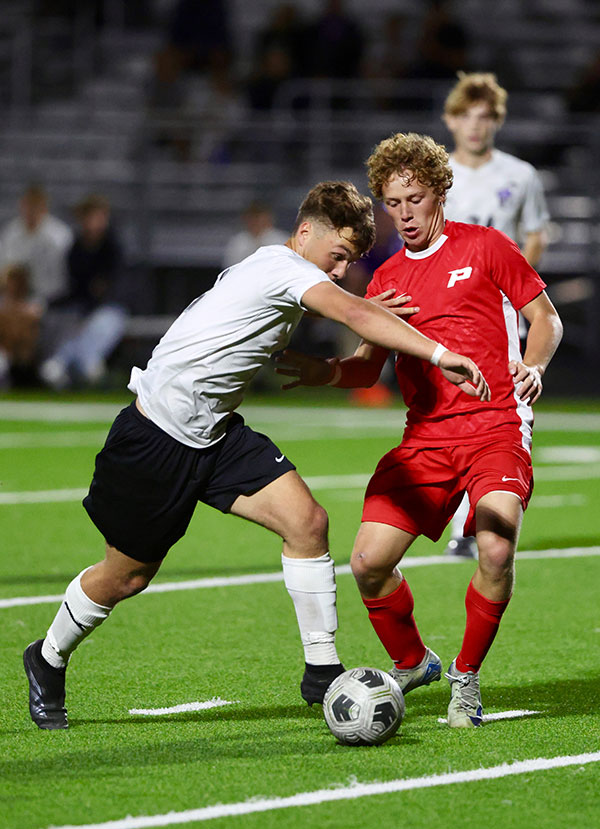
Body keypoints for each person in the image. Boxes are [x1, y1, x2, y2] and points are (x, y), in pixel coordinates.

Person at [23, 180, 489, 731]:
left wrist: (357, 304)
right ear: (306, 231)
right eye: (337, 256)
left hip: (217, 434)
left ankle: (321, 672)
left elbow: (327, 307)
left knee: (308, 523)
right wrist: (439, 353)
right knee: (127, 576)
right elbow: (351, 316)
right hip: (156, 437)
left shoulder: (277, 270)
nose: (339, 270)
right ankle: (47, 657)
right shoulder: (285, 269)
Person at [277, 135, 562, 728]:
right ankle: (415, 661)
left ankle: (466, 676)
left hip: (494, 428)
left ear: (440, 191)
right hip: (425, 441)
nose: (403, 214)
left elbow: (545, 318)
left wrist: (532, 365)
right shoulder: (383, 280)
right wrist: (321, 372)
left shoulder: (485, 246)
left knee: (496, 545)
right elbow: (364, 367)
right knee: (367, 564)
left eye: (415, 198)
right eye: (391, 202)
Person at [441, 71, 551, 557]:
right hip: (444, 303)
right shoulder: (438, 172)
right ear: (450, 119)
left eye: (484, 117)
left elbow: (536, 233)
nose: (475, 126)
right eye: (466, 116)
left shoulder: (519, 174)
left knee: (502, 403)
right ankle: (462, 514)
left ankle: (476, 517)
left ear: (497, 122)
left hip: (501, 307)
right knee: (445, 407)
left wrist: (519, 282)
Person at [39, 194, 127, 389]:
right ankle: (80, 366)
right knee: (69, 322)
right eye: (88, 217)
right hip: (81, 309)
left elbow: (113, 289)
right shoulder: (76, 249)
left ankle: (72, 363)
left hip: (110, 309)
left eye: (97, 217)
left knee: (99, 325)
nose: (93, 222)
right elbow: (75, 289)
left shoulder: (113, 248)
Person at [0, 184, 72, 307]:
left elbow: (62, 279)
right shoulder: (11, 233)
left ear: (44, 208)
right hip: (14, 296)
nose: (30, 212)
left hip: (51, 298)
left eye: (35, 207)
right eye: (27, 206)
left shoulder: (59, 237)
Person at [0, 263, 43, 388]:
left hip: (24, 356)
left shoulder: (34, 306)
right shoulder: (2, 306)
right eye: (12, 281)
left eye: (19, 281)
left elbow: (30, 338)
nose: (15, 286)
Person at [222, 201, 288, 268]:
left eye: (259, 217)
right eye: (252, 218)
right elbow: (230, 269)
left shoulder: (282, 240)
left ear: (269, 218)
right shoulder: (237, 242)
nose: (256, 222)